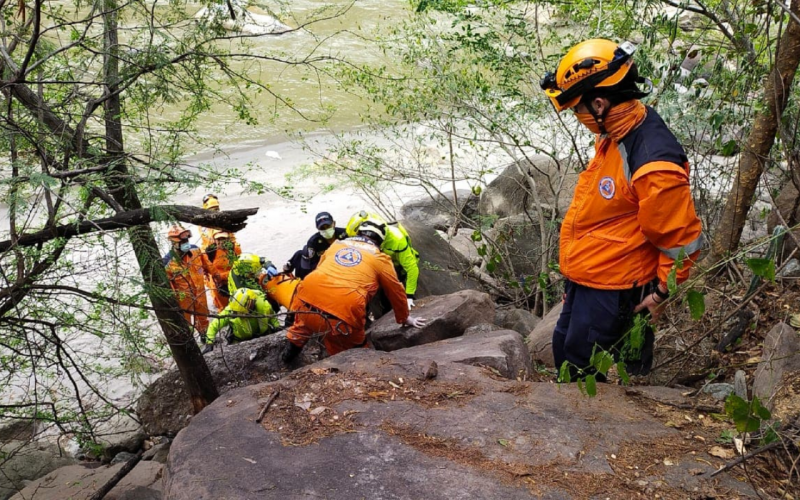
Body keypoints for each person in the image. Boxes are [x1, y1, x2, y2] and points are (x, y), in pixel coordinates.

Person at [540, 39, 704, 378]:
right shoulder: (621, 127)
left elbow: (680, 239)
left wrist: (661, 293)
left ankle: (593, 425)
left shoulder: (653, 164)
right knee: (564, 347)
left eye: (577, 108)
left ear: (599, 104)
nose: (578, 116)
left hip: (615, 285)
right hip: (595, 274)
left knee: (579, 365)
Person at [281, 218, 427, 362]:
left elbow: (320, 268)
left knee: (302, 327)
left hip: (304, 301)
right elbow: (396, 291)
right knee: (355, 347)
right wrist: (404, 318)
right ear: (380, 241)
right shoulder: (380, 259)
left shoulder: (336, 245)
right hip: (341, 315)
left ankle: (287, 357)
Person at [345, 211, 420, 311]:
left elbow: (411, 268)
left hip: (396, 266)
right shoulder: (368, 235)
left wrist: (409, 295)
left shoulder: (397, 240)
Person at [163, 225, 214, 341]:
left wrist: (217, 277)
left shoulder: (195, 250)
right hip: (183, 300)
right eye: (183, 241)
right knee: (185, 324)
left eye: (186, 240)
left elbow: (207, 265)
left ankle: (205, 337)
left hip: (200, 294)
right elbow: (169, 287)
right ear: (174, 243)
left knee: (202, 318)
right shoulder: (168, 263)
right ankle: (189, 342)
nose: (186, 243)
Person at [201, 288, 281, 354]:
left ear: (250, 305)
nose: (238, 314)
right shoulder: (232, 310)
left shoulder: (263, 305)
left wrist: (277, 326)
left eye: (241, 313)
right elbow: (214, 324)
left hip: (264, 336)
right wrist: (209, 342)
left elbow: (272, 316)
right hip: (240, 341)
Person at [284, 212, 347, 278]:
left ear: (334, 223)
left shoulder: (345, 234)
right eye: (322, 228)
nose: (326, 230)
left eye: (328, 226)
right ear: (317, 228)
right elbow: (312, 264)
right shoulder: (313, 242)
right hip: (324, 268)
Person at [203, 229, 241, 311]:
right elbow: (206, 267)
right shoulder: (210, 252)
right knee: (223, 306)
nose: (221, 242)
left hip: (233, 279)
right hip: (217, 283)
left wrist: (224, 276)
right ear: (214, 240)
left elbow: (239, 266)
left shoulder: (235, 249)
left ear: (228, 239)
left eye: (223, 239)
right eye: (219, 239)